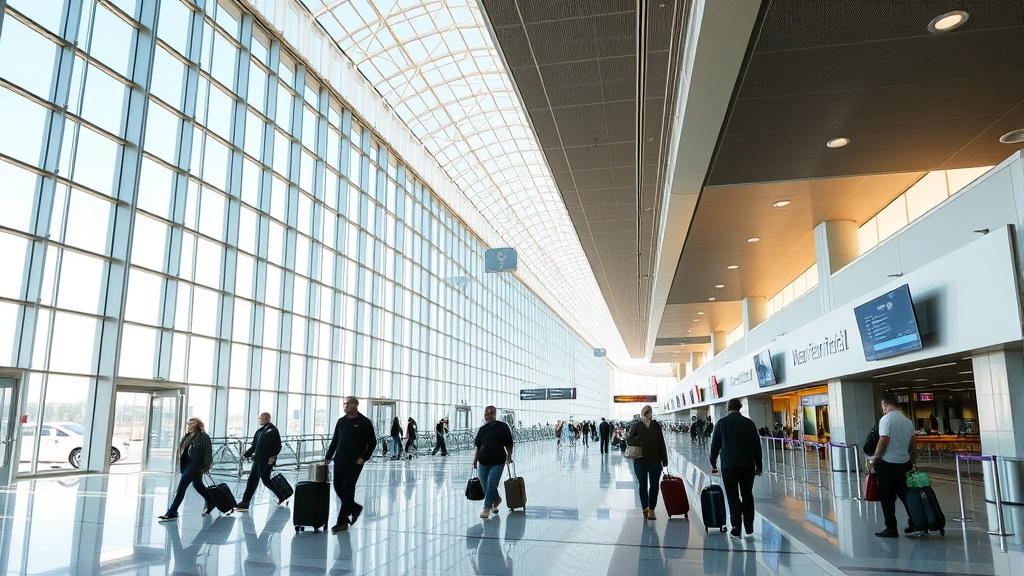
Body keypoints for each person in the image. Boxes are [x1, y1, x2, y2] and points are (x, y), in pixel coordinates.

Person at [709, 398, 763, 539]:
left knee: (732, 496)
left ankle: (736, 528)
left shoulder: (721, 423)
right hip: (747, 465)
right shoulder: (749, 423)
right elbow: (757, 446)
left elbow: (715, 445)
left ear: (728, 408)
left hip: (728, 466)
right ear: (740, 407)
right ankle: (749, 526)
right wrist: (759, 465)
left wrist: (713, 463)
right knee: (747, 494)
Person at [868, 392, 917, 538]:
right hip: (904, 463)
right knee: (905, 495)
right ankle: (914, 521)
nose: (882, 409)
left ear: (886, 404)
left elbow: (883, 440)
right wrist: (913, 462)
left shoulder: (886, 420)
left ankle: (891, 528)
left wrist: (874, 459)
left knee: (887, 498)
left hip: (887, 465)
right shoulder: (907, 421)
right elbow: (913, 444)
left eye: (882, 406)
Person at [324, 397, 376, 533]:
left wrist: (365, 457)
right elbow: (335, 440)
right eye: (344, 404)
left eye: (348, 404)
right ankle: (354, 508)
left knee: (348, 487)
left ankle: (342, 522)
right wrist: (328, 456)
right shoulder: (341, 422)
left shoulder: (364, 422)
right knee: (337, 486)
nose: (345, 406)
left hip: (355, 461)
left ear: (355, 406)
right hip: (340, 459)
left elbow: (372, 442)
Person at [159, 417, 214, 521]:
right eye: (188, 424)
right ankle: (210, 500)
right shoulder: (188, 436)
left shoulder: (203, 437)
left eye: (190, 424)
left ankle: (172, 511)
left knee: (182, 486)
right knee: (197, 484)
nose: (188, 426)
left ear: (195, 425)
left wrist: (205, 466)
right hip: (186, 464)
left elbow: (208, 453)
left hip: (195, 464)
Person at [626, 405, 669, 520]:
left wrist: (664, 460)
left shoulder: (655, 425)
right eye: (648, 412)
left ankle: (651, 508)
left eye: (651, 412)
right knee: (642, 484)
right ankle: (645, 508)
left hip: (655, 460)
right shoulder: (637, 425)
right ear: (644, 413)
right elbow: (629, 440)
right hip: (640, 460)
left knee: (654, 485)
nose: (650, 415)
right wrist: (641, 443)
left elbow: (661, 442)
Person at [235, 412, 283, 511]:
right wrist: (246, 454)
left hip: (266, 461)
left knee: (265, 480)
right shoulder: (260, 431)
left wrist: (273, 456)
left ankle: (282, 494)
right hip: (258, 460)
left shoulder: (272, 430)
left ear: (268, 419)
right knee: (252, 480)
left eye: (261, 418)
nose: (260, 420)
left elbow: (278, 446)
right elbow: (254, 446)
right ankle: (245, 501)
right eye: (259, 418)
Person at [472, 406, 513, 519]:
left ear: (496, 414)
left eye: (491, 413)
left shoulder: (503, 427)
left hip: (498, 461)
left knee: (491, 483)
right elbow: (478, 446)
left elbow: (509, 443)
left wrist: (509, 457)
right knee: (483, 483)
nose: (488, 415)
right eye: (486, 413)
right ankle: (496, 499)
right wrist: (474, 460)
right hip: (483, 460)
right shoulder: (482, 429)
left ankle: (486, 508)